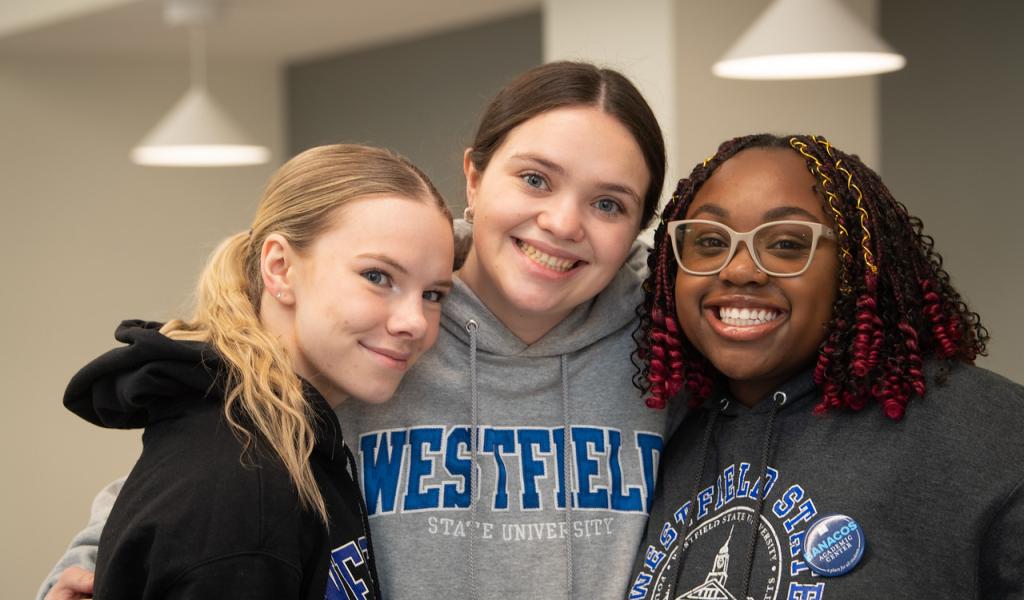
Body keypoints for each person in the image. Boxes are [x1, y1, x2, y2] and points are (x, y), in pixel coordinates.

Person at [39, 61, 676, 600]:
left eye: (608, 204)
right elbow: (213, 451)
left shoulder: (669, 343)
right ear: (475, 178)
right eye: (534, 179)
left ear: (636, 230)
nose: (563, 223)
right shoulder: (378, 329)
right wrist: (87, 571)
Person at [627, 133, 1024, 599]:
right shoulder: (659, 434)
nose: (738, 270)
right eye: (710, 241)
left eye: (786, 244)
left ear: (859, 266)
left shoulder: (988, 432)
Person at [51, 144, 456, 600]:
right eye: (378, 277)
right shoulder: (245, 488)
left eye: (434, 294)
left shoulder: (284, 439)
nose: (415, 322)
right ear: (279, 268)